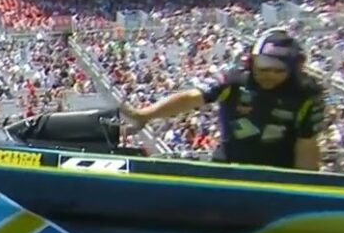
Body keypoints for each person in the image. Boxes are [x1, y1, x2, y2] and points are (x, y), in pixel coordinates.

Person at [119, 28, 326, 171]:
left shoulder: (306, 94)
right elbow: (191, 98)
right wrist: (147, 114)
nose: (269, 75)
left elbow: (306, 146)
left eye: (278, 70)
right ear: (251, 62)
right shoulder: (234, 80)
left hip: (279, 172)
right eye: (263, 68)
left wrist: (304, 186)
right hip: (229, 165)